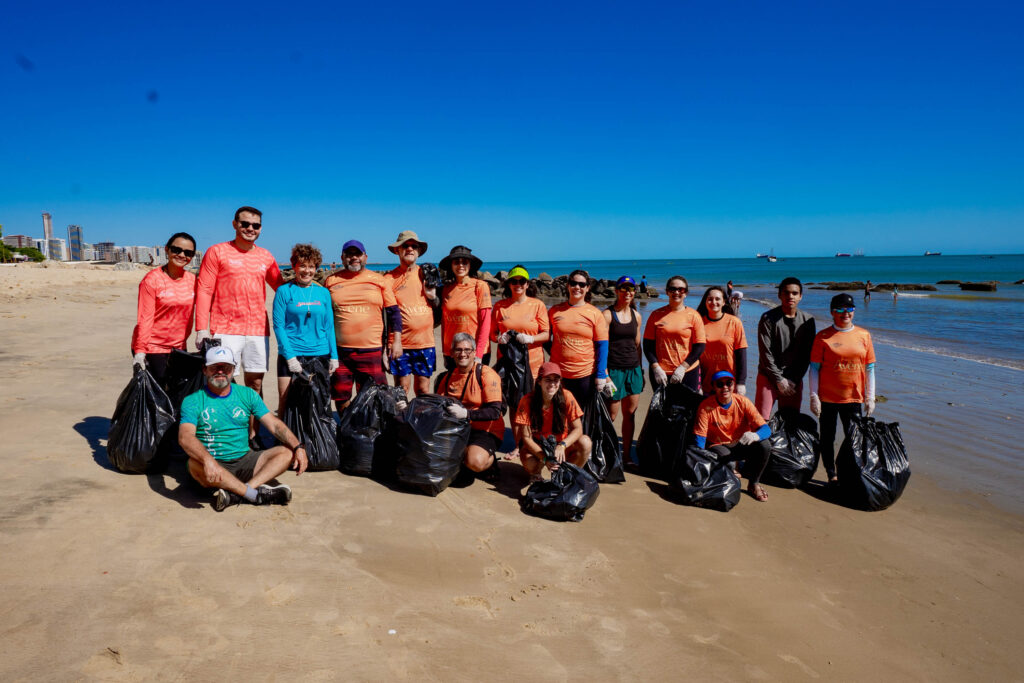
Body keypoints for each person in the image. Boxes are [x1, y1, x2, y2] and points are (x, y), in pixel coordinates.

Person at [179, 346, 308, 512]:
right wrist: (208, 460)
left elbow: (274, 424)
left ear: (233, 369)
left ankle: (237, 493)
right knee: (193, 464)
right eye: (214, 368)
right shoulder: (193, 400)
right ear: (205, 370)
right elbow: (185, 437)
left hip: (245, 460)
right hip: (213, 466)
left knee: (285, 453)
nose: (220, 372)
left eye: (225, 368)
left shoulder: (247, 394)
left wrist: (298, 446)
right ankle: (254, 495)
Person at [194, 206, 284, 443]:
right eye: (245, 224)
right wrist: (201, 327)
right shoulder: (217, 252)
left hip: (256, 329)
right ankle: (223, 432)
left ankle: (252, 434)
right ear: (235, 224)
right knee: (222, 381)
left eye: (255, 226)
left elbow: (282, 288)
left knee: (255, 383)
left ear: (260, 229)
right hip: (224, 328)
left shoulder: (266, 256)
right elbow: (204, 289)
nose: (250, 229)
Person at [324, 240, 402, 414]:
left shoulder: (379, 280)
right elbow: (323, 316)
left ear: (365, 257)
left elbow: (394, 314)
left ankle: (372, 433)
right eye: (349, 254)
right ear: (342, 258)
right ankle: (346, 428)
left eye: (357, 254)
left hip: (372, 350)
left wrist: (395, 342)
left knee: (376, 396)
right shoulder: (331, 281)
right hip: (341, 352)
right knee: (341, 396)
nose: (354, 258)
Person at [809, 293, 876, 485]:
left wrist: (870, 397)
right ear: (832, 312)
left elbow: (870, 368)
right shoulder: (822, 337)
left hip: (853, 398)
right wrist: (813, 396)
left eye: (849, 309)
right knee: (827, 438)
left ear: (853, 311)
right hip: (828, 399)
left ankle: (852, 474)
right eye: (840, 309)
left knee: (854, 440)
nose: (845, 313)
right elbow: (814, 369)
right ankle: (832, 474)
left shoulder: (864, 335)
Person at [272, 244, 338, 410]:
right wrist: (290, 357)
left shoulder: (323, 293)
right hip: (292, 354)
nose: (307, 271)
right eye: (302, 265)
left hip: (320, 354)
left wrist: (334, 357)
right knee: (286, 400)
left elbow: (329, 326)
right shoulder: (284, 291)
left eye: (311, 266)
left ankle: (315, 436)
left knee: (318, 401)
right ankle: (282, 437)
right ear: (294, 266)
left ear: (316, 268)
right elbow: (279, 326)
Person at [434, 333, 503, 482]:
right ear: (452, 353)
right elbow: (436, 406)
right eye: (458, 350)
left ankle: (490, 462)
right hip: (456, 429)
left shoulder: (486, 374)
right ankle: (462, 454)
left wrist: (466, 414)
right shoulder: (446, 377)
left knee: (474, 462)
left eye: (467, 350)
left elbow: (495, 412)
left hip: (485, 430)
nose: (462, 354)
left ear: (474, 353)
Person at [693, 370, 772, 502]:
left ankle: (754, 483)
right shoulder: (705, 407)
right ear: (714, 387)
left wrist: (755, 436)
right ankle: (731, 480)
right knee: (728, 464)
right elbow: (700, 440)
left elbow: (766, 429)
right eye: (720, 384)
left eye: (729, 383)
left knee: (765, 446)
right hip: (718, 445)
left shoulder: (743, 402)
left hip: (740, 443)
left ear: (733, 385)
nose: (725, 387)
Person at [131, 232, 197, 383]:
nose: (181, 255)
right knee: (157, 397)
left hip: (179, 348)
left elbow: (206, 307)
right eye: (176, 250)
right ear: (167, 249)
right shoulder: (152, 280)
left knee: (177, 395)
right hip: (153, 347)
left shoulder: (193, 281)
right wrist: (140, 351)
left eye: (188, 253)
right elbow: (145, 317)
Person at [514, 362, 592, 482]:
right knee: (530, 462)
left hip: (560, 443)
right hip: (538, 444)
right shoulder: (527, 400)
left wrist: (562, 445)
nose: (552, 384)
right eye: (548, 380)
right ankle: (536, 474)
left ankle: (567, 475)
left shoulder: (567, 396)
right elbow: (526, 438)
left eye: (556, 380)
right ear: (539, 381)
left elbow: (578, 429)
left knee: (586, 442)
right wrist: (544, 458)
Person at [384, 230, 439, 396]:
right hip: (401, 345)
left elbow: (440, 306)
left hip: (426, 343)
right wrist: (385, 347)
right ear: (397, 250)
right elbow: (385, 316)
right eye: (405, 246)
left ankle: (419, 421)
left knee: (423, 390)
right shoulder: (388, 278)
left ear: (418, 250)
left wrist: (433, 297)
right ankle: (400, 422)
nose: (409, 249)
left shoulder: (427, 272)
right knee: (402, 390)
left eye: (413, 246)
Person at [755, 277, 816, 420]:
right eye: (786, 293)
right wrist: (778, 379)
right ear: (779, 295)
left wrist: (794, 379)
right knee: (760, 420)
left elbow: (806, 355)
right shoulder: (768, 318)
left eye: (795, 293)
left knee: (790, 420)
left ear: (800, 296)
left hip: (793, 378)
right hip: (768, 376)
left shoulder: (808, 320)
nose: (790, 296)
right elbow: (765, 353)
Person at [547, 269, 611, 406]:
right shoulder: (554, 311)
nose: (577, 287)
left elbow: (602, 346)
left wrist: (601, 374)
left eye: (582, 285)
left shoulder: (595, 314)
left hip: (585, 375)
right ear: (568, 285)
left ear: (587, 288)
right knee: (560, 415)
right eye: (573, 283)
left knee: (581, 419)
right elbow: (546, 338)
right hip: (559, 375)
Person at [602, 276, 643, 464]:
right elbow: (601, 347)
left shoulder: (637, 315)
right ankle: (606, 454)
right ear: (617, 291)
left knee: (631, 414)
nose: (627, 292)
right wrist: (605, 374)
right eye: (623, 289)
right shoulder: (608, 315)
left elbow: (637, 345)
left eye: (631, 289)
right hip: (614, 371)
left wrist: (640, 371)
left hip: (633, 370)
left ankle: (626, 455)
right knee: (610, 415)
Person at [643, 275, 705, 392]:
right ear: (667, 292)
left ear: (686, 293)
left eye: (681, 289)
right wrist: (655, 367)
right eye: (673, 289)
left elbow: (700, 346)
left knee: (687, 408)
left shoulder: (694, 315)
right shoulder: (656, 315)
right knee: (663, 409)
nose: (676, 292)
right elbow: (647, 345)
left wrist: (683, 367)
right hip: (661, 373)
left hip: (688, 371)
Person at [491, 265, 550, 379]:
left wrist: (531, 338)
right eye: (514, 281)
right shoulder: (499, 306)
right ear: (509, 284)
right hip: (507, 363)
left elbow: (546, 335)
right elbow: (492, 334)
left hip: (533, 365)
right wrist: (499, 339)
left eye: (522, 281)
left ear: (527, 284)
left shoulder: (538, 305)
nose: (518, 285)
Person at [440, 245, 492, 369]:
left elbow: (486, 322)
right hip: (452, 351)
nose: (460, 265)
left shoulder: (480, 286)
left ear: (470, 265)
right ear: (451, 266)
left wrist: (478, 354)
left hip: (473, 351)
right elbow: (444, 323)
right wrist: (445, 351)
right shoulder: (446, 289)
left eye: (465, 262)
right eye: (456, 262)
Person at [696, 286, 748, 396]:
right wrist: (697, 383)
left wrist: (741, 383)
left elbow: (741, 354)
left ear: (724, 302)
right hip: (706, 384)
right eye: (710, 299)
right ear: (705, 302)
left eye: (717, 299)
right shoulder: (698, 323)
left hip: (729, 383)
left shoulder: (734, 322)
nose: (713, 302)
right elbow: (695, 356)